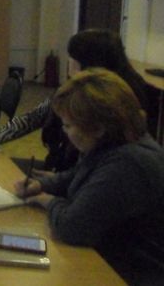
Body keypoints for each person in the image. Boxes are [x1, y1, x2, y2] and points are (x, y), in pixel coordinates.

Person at [14, 68, 164, 285]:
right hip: (112, 257)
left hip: (129, 273)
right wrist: (41, 185)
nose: (65, 132)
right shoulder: (117, 142)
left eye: (68, 125)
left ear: (98, 128)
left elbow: (72, 227)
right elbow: (78, 175)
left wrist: (46, 200)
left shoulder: (127, 164)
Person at [0, 28, 156, 172]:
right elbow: (34, 117)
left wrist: (51, 185)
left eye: (73, 58)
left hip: (72, 180)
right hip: (61, 173)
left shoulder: (108, 102)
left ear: (89, 62)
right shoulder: (76, 89)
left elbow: (90, 170)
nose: (69, 63)